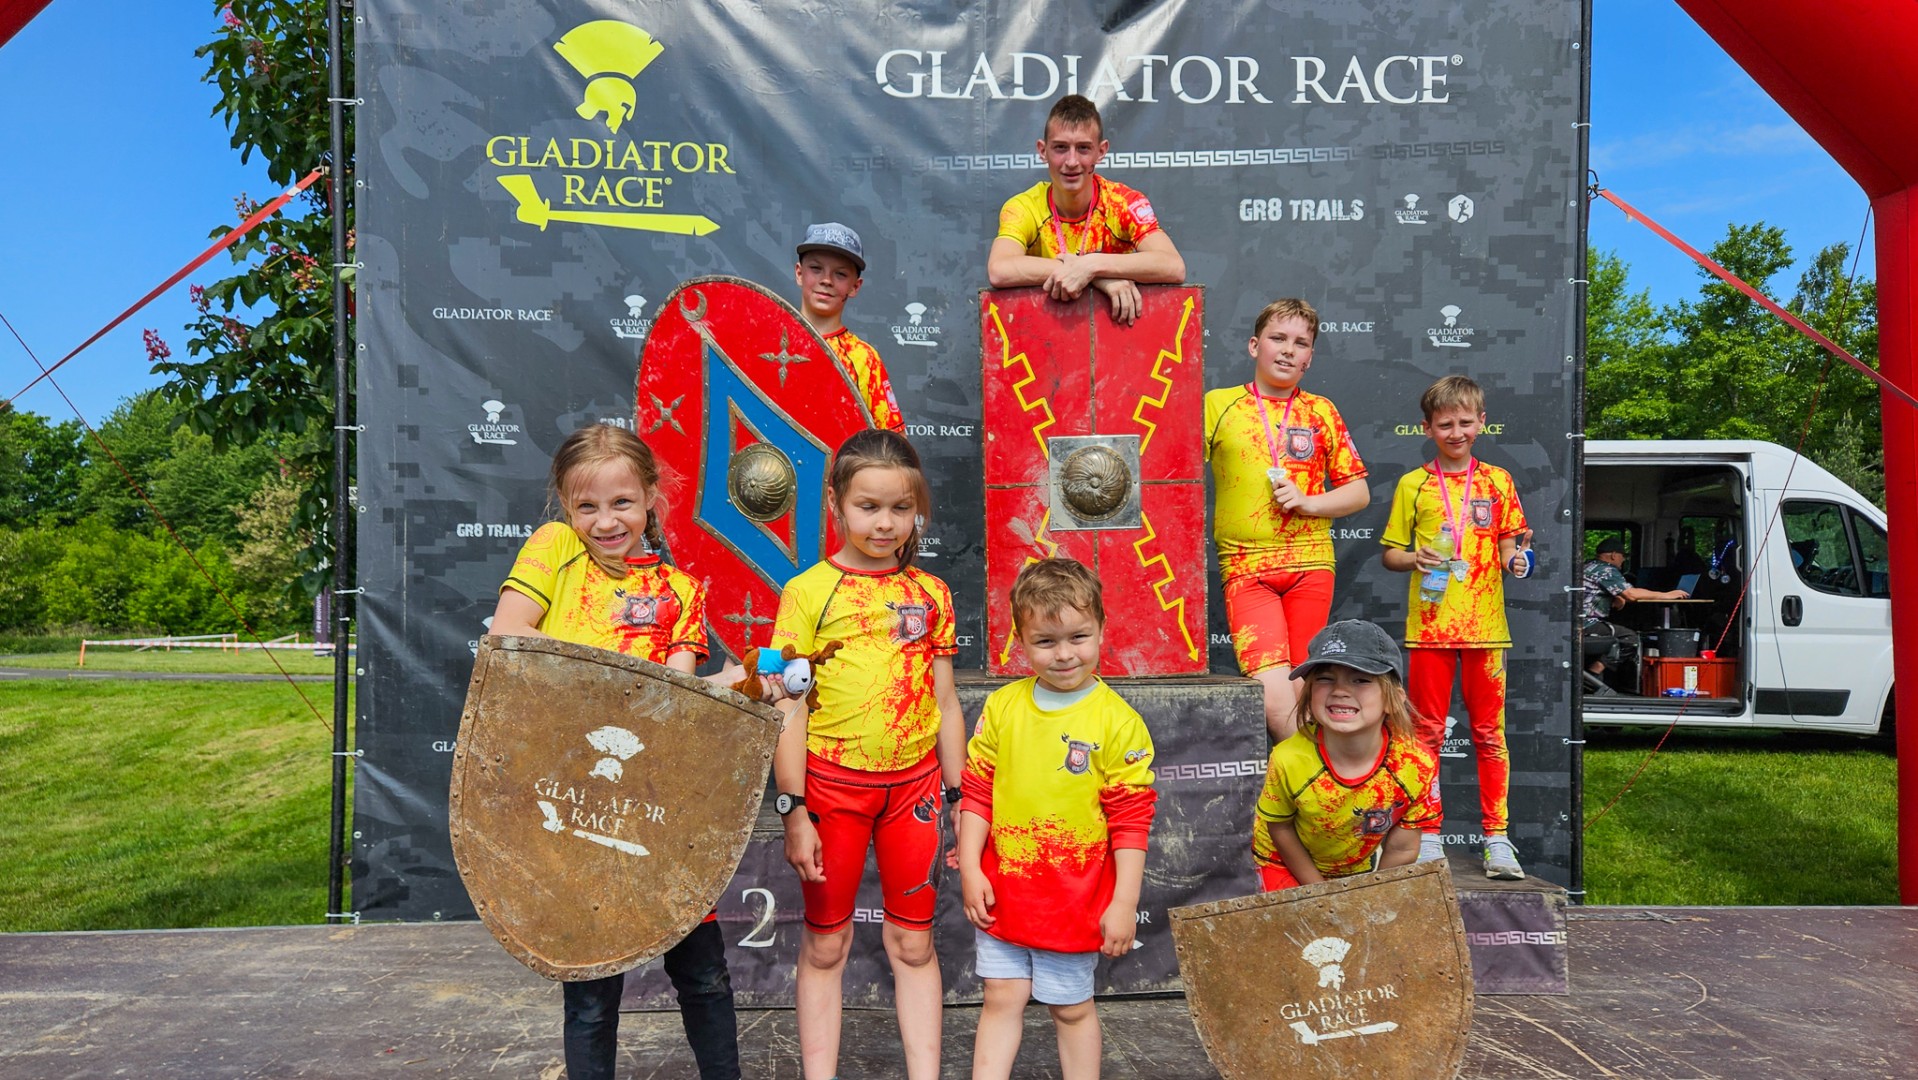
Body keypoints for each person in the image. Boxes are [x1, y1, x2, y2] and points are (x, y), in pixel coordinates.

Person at [489, 423, 750, 1080]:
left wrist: (734, 683)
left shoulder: (680, 593)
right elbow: (510, 637)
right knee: (591, 994)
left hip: (657, 808)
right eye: (587, 506)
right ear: (564, 506)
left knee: (704, 974)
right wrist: (624, 693)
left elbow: (673, 703)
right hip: (572, 802)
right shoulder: (551, 548)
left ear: (652, 499)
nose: (606, 521)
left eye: (622, 503)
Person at [770, 428, 967, 1080]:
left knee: (914, 942)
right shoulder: (806, 592)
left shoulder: (932, 596)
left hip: (912, 793)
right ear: (837, 505)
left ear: (918, 510)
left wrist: (960, 798)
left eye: (901, 509)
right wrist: (794, 810)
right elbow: (788, 706)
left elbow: (944, 702)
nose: (885, 524)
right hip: (831, 792)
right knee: (827, 946)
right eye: (869, 507)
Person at [958, 558, 1158, 1080]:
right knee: (1001, 997)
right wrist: (971, 868)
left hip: (1076, 898)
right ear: (1019, 640)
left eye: (1078, 636)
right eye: (1046, 641)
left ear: (1102, 630)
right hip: (1005, 890)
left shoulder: (1118, 722)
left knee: (1071, 1009)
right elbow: (977, 791)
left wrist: (1125, 903)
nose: (1065, 654)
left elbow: (1132, 821)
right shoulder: (1002, 708)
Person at [1379, 375, 1534, 879]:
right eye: (1445, 423)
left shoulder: (1498, 482)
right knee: (1424, 735)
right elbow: (1390, 555)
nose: (1456, 431)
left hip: (1487, 629)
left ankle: (1497, 839)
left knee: (1490, 734)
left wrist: (1518, 562)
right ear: (1427, 427)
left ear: (1481, 423)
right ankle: (1427, 835)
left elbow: (1513, 545)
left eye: (1466, 422)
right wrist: (1413, 558)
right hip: (1429, 629)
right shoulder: (1413, 485)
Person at [1204, 297, 1370, 741]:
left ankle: (1306, 796)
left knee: (1307, 688)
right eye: (1278, 338)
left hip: (1310, 563)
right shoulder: (1218, 405)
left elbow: (1359, 492)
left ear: (1310, 357)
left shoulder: (1322, 411)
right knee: (1276, 696)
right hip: (1246, 566)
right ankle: (1311, 784)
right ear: (1254, 345)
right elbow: (1175, 474)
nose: (1288, 350)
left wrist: (1308, 502)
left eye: (1301, 343)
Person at [1251, 620, 1441, 892]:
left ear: (1394, 699)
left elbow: (1402, 848)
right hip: (1282, 863)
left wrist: (1372, 898)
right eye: (1325, 679)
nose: (1340, 690)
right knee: (1304, 926)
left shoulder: (1416, 765)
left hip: (1354, 867)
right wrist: (1323, 894)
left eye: (1361, 679)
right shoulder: (1287, 758)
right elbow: (1280, 829)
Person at [986, 94, 1185, 326]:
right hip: (1041, 339)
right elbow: (999, 270)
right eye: (1060, 148)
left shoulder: (1123, 202)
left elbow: (1173, 266)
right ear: (1043, 151)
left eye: (1083, 148)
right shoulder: (1023, 206)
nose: (1071, 161)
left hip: (1117, 337)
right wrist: (1096, 278)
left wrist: (1092, 266)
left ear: (1101, 151)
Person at [795, 221, 905, 433]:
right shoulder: (767, 339)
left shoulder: (865, 359)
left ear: (855, 286)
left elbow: (894, 442)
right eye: (816, 269)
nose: (826, 280)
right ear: (799, 273)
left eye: (841, 274)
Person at [1582, 536, 1690, 692]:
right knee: (1630, 639)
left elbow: (1604, 594)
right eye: (1622, 556)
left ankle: (1591, 676)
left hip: (1577, 621)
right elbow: (1631, 594)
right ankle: (1592, 676)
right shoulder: (1606, 569)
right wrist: (1667, 595)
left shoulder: (1589, 565)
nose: (1622, 561)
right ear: (1613, 555)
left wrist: (1613, 598)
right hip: (1587, 624)